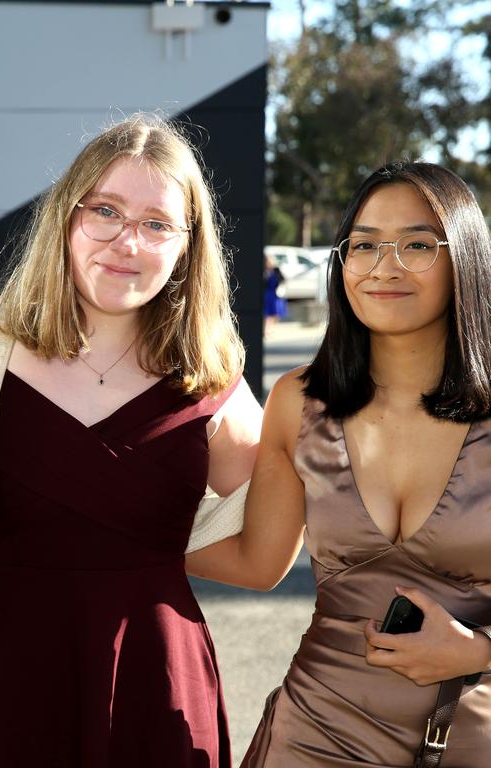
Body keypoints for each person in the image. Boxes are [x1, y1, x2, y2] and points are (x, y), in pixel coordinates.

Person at [0, 114, 262, 767]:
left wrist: (144, 552)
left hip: (156, 687)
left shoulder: (209, 372)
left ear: (187, 247)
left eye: (156, 223)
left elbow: (270, 551)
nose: (125, 241)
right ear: (66, 216)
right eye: (105, 210)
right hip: (1, 686)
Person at [186, 161, 491, 766]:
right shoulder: (297, 402)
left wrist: (478, 652)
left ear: (467, 260)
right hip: (317, 732)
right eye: (365, 245)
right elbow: (256, 560)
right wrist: (103, 519)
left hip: (473, 739)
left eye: (416, 244)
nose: (385, 265)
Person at [263, 252, 287, 336]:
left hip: (276, 294)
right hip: (268, 294)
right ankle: (267, 330)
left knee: (275, 313)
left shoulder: (276, 270)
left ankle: (271, 328)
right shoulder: (264, 270)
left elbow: (283, 279)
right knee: (267, 313)